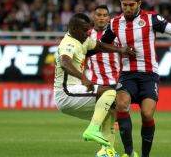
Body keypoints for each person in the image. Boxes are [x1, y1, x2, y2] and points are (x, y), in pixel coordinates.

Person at [99, 0, 171, 157]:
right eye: (124, 5)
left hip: (149, 75)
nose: (127, 8)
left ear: (139, 3)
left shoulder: (151, 18)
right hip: (127, 74)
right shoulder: (114, 23)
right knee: (121, 104)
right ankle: (128, 153)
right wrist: (120, 50)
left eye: (131, 5)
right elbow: (101, 44)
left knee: (147, 114)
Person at [53, 13, 135, 149]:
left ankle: (106, 151)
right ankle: (92, 129)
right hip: (66, 93)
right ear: (73, 29)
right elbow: (64, 62)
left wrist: (120, 50)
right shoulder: (68, 43)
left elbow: (100, 46)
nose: (87, 33)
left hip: (76, 92)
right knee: (109, 92)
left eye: (88, 29)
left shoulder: (82, 40)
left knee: (110, 110)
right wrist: (83, 77)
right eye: (84, 30)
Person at [86, 5, 120, 155]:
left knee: (115, 117)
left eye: (105, 15)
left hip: (116, 80)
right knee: (107, 116)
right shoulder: (86, 35)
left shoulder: (116, 34)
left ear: (108, 18)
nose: (101, 17)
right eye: (98, 14)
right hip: (97, 83)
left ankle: (108, 149)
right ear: (94, 17)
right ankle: (107, 150)